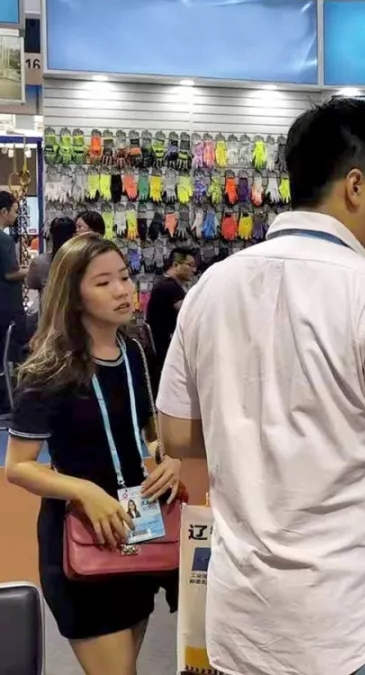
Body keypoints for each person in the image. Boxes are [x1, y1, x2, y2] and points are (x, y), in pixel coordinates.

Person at [155, 98, 365, 675]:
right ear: (355, 186)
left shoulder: (212, 287)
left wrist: (257, 436)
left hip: (243, 615)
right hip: (357, 620)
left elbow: (176, 433)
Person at [4, 234, 182, 675]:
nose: (122, 290)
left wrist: (168, 458)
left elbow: (149, 432)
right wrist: (84, 491)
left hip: (137, 527)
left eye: (124, 277)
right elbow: (19, 467)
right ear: (73, 294)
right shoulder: (48, 367)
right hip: (81, 532)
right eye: (103, 283)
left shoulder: (134, 350)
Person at [145, 247, 196, 389]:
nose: (194, 270)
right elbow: (190, 313)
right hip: (166, 352)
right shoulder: (169, 287)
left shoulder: (165, 284)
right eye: (190, 265)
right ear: (176, 265)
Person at [0, 190, 29, 410]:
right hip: (7, 307)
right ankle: (12, 402)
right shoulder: (4, 239)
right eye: (15, 211)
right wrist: (32, 270)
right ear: (4, 212)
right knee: (13, 353)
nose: (17, 215)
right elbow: (10, 274)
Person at [27, 216, 77, 313]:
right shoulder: (83, 260)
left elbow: (31, 283)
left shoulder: (40, 262)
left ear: (51, 235)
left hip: (49, 315)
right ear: (74, 236)